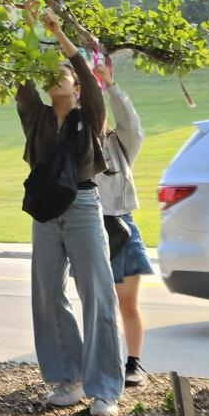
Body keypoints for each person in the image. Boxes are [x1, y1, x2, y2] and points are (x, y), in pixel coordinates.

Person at [17, 8, 123, 416]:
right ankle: (69, 378)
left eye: (62, 73)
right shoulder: (37, 117)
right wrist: (27, 30)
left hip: (81, 203)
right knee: (46, 292)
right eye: (51, 75)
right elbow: (22, 77)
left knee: (96, 293)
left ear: (76, 87)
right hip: (45, 210)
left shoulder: (89, 115)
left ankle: (105, 388)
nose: (54, 76)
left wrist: (59, 34)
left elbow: (83, 66)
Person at [88, 40, 152, 388]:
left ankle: (134, 363)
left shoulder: (119, 143)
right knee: (99, 306)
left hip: (122, 226)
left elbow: (133, 123)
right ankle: (101, 362)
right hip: (89, 228)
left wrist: (111, 86)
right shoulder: (77, 143)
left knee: (128, 303)